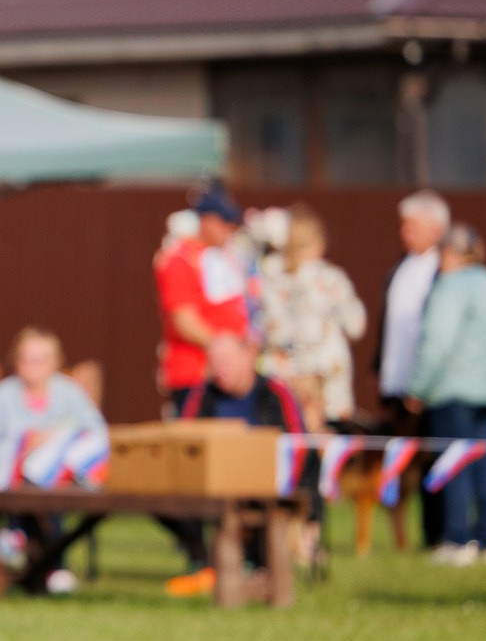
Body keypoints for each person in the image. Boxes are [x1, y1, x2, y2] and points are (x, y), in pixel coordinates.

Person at [164, 332, 306, 598]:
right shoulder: (203, 392)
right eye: (214, 361)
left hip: (266, 482)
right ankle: (203, 560)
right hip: (209, 484)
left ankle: (259, 567)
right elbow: (183, 440)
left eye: (227, 360)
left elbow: (298, 445)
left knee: (258, 513)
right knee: (165, 500)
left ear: (248, 357)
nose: (220, 368)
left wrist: (284, 485)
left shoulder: (275, 393)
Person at [409, 224, 486, 565]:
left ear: (451, 254)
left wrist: (419, 388)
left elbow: (437, 342)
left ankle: (457, 541)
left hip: (456, 391)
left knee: (454, 463)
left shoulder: (451, 286)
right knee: (484, 464)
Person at [0, 328, 107, 595]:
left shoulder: (69, 393)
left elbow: (95, 434)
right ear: (16, 361)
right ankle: (36, 567)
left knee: (46, 494)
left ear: (55, 363)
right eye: (26, 359)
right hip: (10, 480)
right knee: (20, 494)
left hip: (56, 482)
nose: (32, 366)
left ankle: (47, 566)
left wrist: (53, 439)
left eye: (41, 359)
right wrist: (22, 444)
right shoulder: (3, 394)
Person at [377, 190, 450, 544]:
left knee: (432, 462)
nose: (404, 232)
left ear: (436, 228)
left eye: (412, 225)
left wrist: (423, 385)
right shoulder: (400, 269)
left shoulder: (442, 271)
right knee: (400, 466)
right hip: (397, 382)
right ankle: (404, 536)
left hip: (430, 387)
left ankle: (438, 534)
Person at [259, 206, 367, 428]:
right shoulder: (329, 278)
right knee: (320, 446)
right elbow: (356, 325)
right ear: (318, 241)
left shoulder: (268, 277)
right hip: (324, 377)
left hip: (282, 377)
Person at [155, 183, 254, 414]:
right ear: (205, 220)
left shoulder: (227, 256)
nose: (229, 228)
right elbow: (184, 320)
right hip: (196, 374)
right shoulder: (179, 258)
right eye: (223, 221)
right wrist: (225, 349)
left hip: (233, 372)